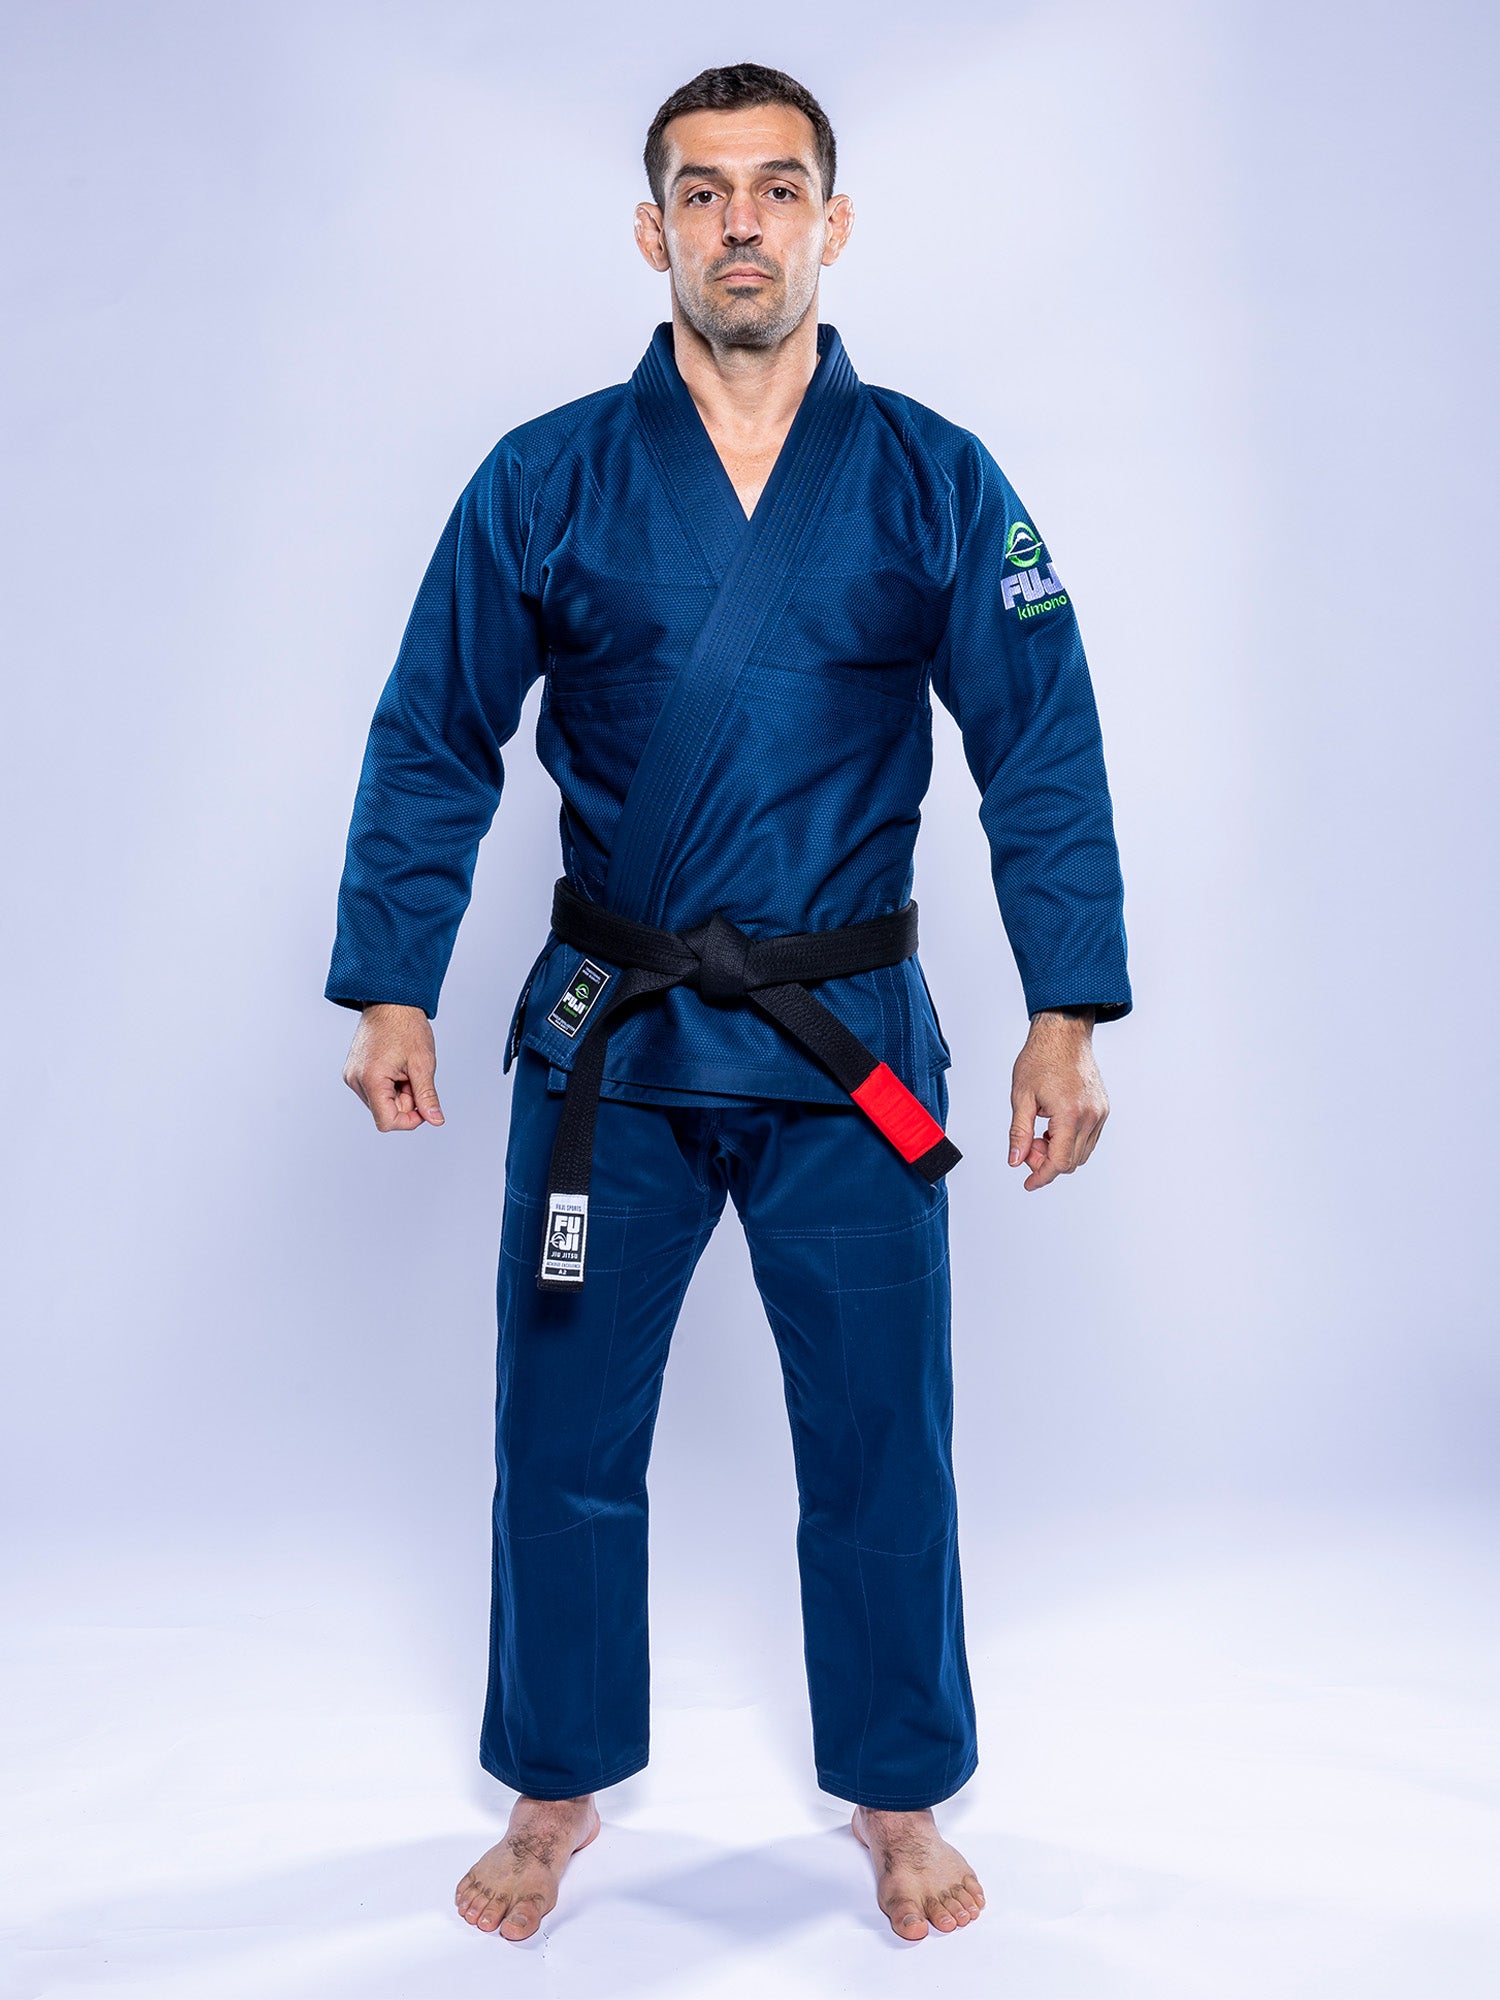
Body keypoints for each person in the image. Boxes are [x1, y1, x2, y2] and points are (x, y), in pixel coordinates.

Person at [327, 61, 1131, 1945]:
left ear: (832, 225)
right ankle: (552, 1786)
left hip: (854, 1057)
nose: (743, 223)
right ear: (654, 229)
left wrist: (1063, 1011)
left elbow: (1045, 751)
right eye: (705, 192)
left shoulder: (935, 476)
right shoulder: (547, 476)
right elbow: (436, 734)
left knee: (880, 1438)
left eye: (779, 189)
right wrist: (392, 983)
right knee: (563, 1431)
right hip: (613, 1037)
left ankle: (898, 1797)